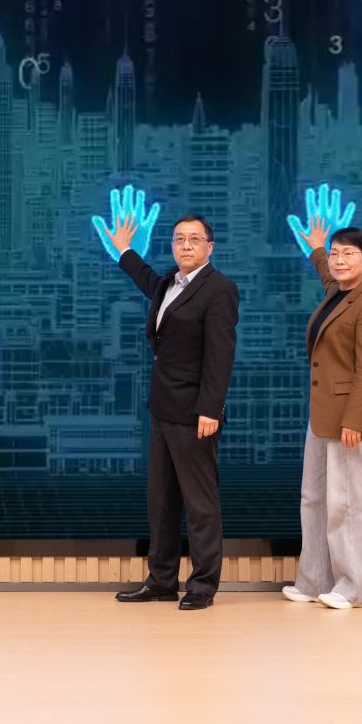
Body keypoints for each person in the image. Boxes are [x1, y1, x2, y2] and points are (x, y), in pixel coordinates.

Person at [94, 188, 239, 611]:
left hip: (195, 412)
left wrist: (211, 408)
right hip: (162, 407)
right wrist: (124, 250)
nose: (186, 245)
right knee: (161, 501)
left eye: (194, 239)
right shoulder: (170, 284)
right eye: (179, 239)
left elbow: (220, 354)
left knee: (200, 503)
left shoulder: (219, 289)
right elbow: (146, 281)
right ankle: (161, 580)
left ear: (209, 247)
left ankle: (202, 586)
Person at [282, 224, 362, 611]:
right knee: (314, 499)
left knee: (349, 503)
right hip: (321, 414)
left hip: (346, 419)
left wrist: (354, 420)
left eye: (349, 254)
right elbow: (327, 274)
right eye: (335, 253)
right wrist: (316, 249)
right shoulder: (336, 294)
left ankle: (354, 587)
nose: (340, 261)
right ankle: (315, 580)